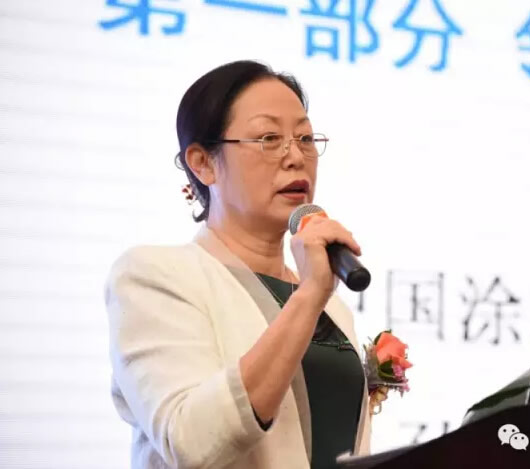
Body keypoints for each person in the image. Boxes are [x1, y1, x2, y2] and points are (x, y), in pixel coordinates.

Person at [104, 60, 371, 469]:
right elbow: (189, 442)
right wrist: (308, 297)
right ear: (203, 163)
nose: (295, 156)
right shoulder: (154, 277)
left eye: (305, 138)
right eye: (269, 138)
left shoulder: (330, 305)